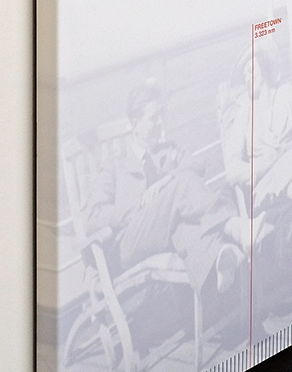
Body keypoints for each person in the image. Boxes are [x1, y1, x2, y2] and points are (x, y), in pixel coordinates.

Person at [86, 83, 244, 296]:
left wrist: (166, 180)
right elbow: (93, 216)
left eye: (161, 114)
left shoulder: (168, 151)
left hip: (165, 233)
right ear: (135, 124)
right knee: (181, 185)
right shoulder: (114, 167)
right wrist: (137, 207)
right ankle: (234, 225)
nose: (161, 122)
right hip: (129, 243)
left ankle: (221, 257)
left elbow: (197, 164)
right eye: (154, 117)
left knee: (186, 225)